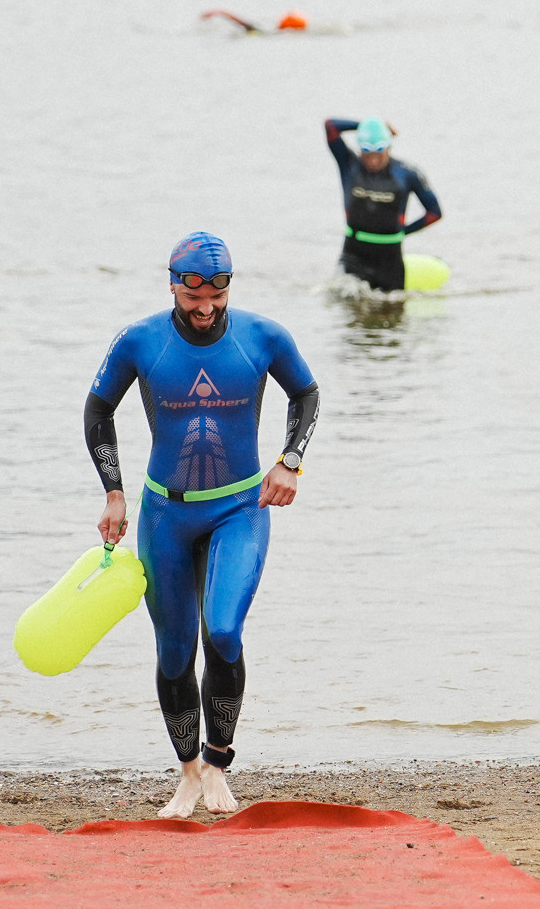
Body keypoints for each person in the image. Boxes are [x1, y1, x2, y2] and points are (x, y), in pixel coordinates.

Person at [85, 233, 321, 820]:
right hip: (165, 511)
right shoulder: (140, 340)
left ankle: (218, 762)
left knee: (223, 632)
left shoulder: (262, 337)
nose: (206, 308)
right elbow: (97, 410)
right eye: (195, 297)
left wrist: (290, 460)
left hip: (240, 508)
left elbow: (307, 395)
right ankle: (188, 773)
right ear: (173, 285)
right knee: (172, 654)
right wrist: (114, 494)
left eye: (217, 296)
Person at [324, 117, 441, 293]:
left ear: (388, 147)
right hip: (353, 254)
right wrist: (367, 125)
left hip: (390, 259)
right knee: (349, 311)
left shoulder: (407, 173)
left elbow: (434, 213)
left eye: (379, 152)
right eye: (367, 153)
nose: (373, 160)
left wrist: (402, 232)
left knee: (392, 314)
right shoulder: (349, 164)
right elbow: (330, 126)